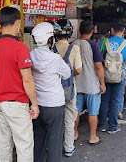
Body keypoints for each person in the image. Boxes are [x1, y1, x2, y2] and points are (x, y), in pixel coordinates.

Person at [0, 6, 39, 162]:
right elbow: (27, 79)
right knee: (24, 146)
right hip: (16, 103)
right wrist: (35, 104)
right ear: (17, 23)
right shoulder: (20, 48)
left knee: (4, 144)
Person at [31, 22, 71, 162]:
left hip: (37, 104)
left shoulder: (31, 55)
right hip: (54, 105)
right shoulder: (55, 58)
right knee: (55, 141)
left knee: (38, 139)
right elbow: (67, 73)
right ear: (50, 39)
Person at [53, 18, 82, 157]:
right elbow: (79, 69)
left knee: (54, 120)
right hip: (70, 89)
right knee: (69, 119)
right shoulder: (74, 48)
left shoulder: (51, 49)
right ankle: (69, 148)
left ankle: (53, 148)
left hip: (53, 90)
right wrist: (70, 75)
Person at [74, 20, 106, 145]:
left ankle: (74, 133)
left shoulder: (73, 44)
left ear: (79, 30)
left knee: (75, 110)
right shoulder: (93, 45)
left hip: (77, 84)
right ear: (92, 31)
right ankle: (92, 137)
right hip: (92, 85)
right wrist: (102, 83)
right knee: (93, 112)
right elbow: (98, 66)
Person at [98, 21, 126, 134]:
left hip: (105, 75)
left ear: (112, 30)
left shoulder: (104, 42)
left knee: (104, 100)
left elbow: (99, 58)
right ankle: (113, 126)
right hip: (119, 76)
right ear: (123, 31)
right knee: (116, 101)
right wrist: (123, 62)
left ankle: (101, 125)